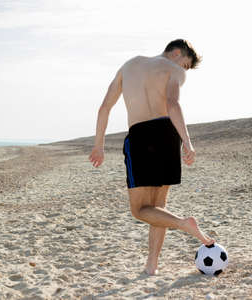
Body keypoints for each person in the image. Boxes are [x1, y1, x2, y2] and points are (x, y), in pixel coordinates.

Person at [89, 39, 215, 275]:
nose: (184, 70)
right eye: (186, 65)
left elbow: (104, 107)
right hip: (168, 134)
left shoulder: (129, 66)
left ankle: (182, 225)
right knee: (158, 206)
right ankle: (152, 265)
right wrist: (187, 142)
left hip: (141, 136)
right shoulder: (175, 70)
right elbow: (172, 103)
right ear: (177, 53)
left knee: (139, 210)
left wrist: (99, 145)